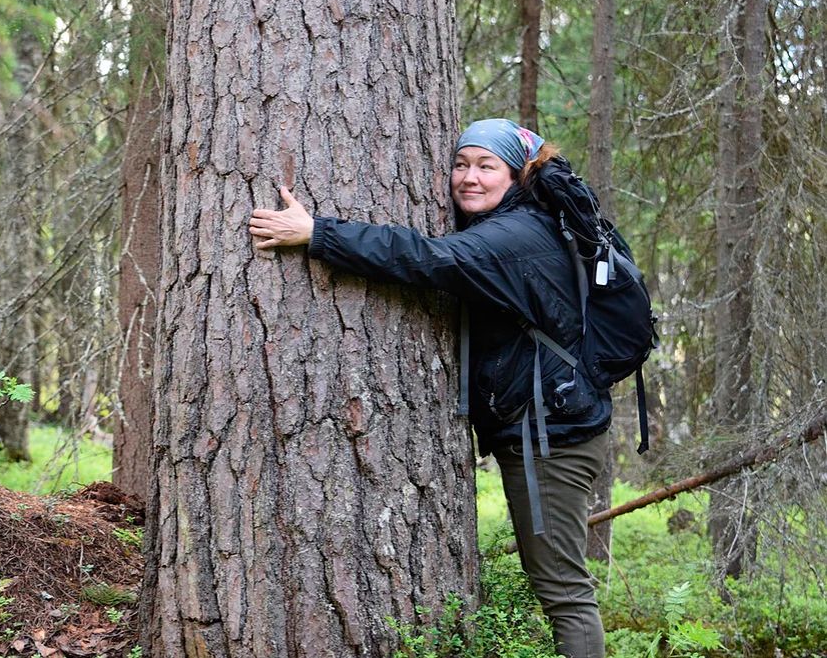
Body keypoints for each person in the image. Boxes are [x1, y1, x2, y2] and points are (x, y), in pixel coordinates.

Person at [248, 118, 609, 658]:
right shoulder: (527, 224)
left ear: (516, 174)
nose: (468, 178)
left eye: (487, 166)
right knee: (561, 587)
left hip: (552, 440)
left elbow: (425, 257)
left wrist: (318, 233)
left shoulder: (513, 237)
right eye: (462, 164)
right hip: (550, 423)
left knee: (563, 592)